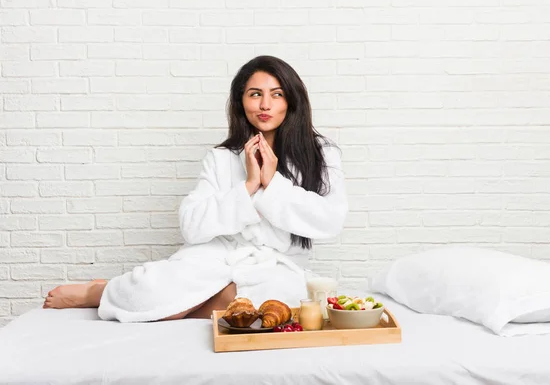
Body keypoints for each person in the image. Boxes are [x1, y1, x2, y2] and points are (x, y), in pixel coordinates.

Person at [43, 55, 348, 322]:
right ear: (241, 101)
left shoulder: (320, 153)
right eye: (255, 94)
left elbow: (331, 220)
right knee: (155, 291)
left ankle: (176, 305)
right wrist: (248, 186)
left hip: (280, 267)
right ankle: (100, 291)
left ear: (291, 101)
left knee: (282, 300)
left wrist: (273, 184)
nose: (265, 104)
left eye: (276, 94)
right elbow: (191, 226)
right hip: (218, 256)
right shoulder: (221, 157)